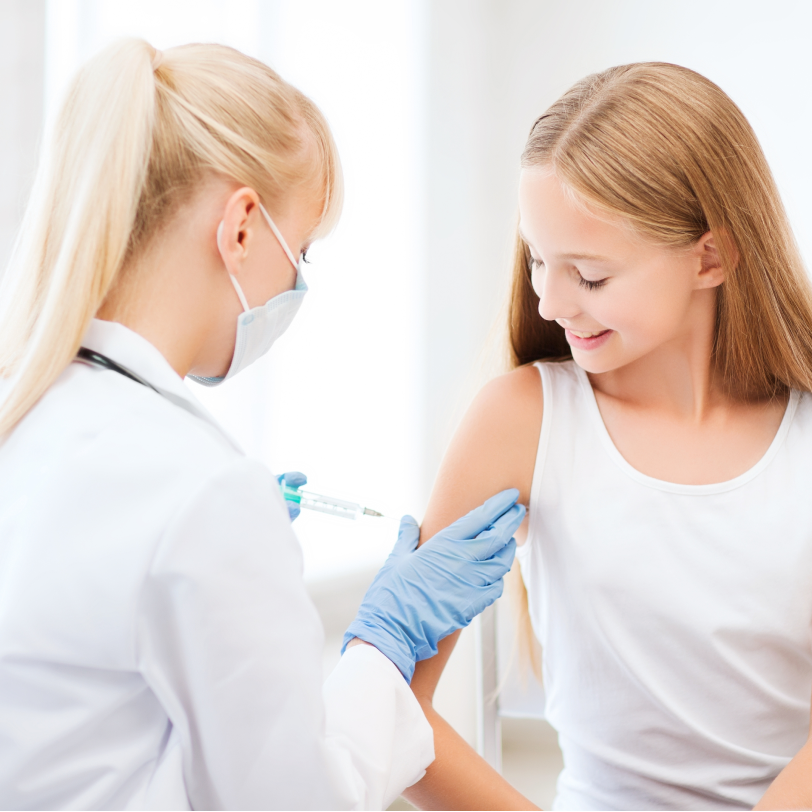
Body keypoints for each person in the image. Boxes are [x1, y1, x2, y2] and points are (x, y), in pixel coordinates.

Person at [0, 40, 524, 810]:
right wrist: (385, 642)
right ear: (242, 226)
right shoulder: (200, 488)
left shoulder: (34, 418)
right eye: (301, 250)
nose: (297, 282)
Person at [403, 63, 812, 811]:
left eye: (589, 276)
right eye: (537, 260)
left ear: (710, 258)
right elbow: (389, 710)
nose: (550, 302)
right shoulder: (520, 421)